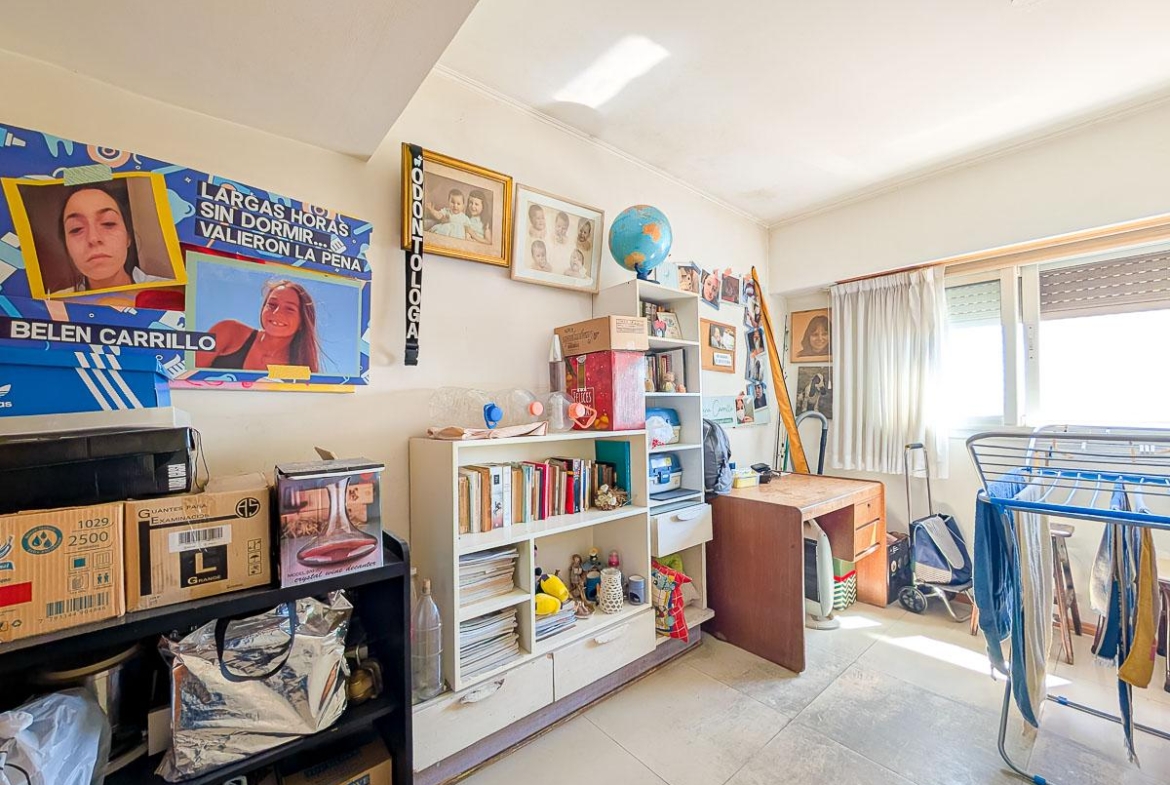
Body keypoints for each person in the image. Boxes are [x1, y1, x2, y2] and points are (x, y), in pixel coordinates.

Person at [53, 182, 168, 294]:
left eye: (108, 223)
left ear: (128, 237)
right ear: (66, 246)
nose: (93, 238)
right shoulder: (54, 302)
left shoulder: (168, 292)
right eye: (76, 228)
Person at [198, 279, 321, 373]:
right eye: (272, 305)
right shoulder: (229, 331)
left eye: (289, 309)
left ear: (302, 323)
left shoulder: (299, 369)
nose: (277, 312)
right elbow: (188, 371)